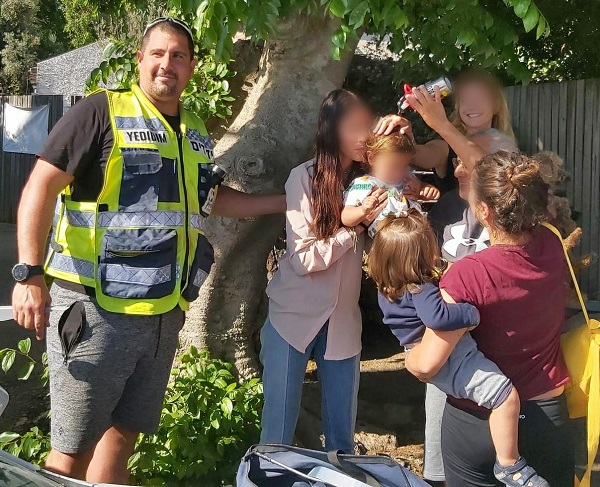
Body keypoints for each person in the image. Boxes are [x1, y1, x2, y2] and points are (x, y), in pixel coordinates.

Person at [11, 17, 285, 483]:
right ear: (140, 59)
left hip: (162, 314)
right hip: (96, 310)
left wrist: (282, 202)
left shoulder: (194, 130)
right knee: (70, 450)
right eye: (158, 53)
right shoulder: (101, 112)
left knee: (124, 435)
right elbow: (39, 187)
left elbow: (209, 199)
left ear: (192, 67)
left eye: (179, 55)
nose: (167, 64)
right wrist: (29, 274)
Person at [375, 70, 519, 485]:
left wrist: (437, 121)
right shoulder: (449, 140)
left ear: (496, 105)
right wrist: (404, 133)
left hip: (486, 298)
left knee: (487, 384)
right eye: (464, 97)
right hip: (448, 297)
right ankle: (442, 474)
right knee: (442, 385)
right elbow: (421, 156)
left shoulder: (502, 144)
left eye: (481, 96)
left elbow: (481, 164)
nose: (471, 104)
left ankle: (500, 463)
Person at [406, 151, 574, 486]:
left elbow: (427, 365)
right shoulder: (552, 242)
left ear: (483, 212)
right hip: (548, 415)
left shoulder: (468, 274)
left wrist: (410, 356)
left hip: (477, 422)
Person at [368, 211, 548, 487]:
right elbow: (438, 318)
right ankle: (509, 464)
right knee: (505, 397)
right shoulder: (420, 287)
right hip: (450, 357)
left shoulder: (389, 287)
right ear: (420, 256)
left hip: (424, 354)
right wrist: (471, 313)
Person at [260, 89, 388, 453]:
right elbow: (303, 260)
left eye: (370, 126)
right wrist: (353, 230)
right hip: (291, 318)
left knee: (342, 439)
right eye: (356, 127)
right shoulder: (303, 179)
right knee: (277, 433)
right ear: (331, 130)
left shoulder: (372, 183)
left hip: (344, 323)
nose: (365, 137)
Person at [375, 70, 517, 195]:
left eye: (479, 99)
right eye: (465, 100)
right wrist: (404, 136)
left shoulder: (506, 146)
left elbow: (493, 172)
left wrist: (440, 124)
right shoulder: (444, 148)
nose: (472, 105)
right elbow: (415, 154)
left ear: (496, 105)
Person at [341, 132, 440, 237]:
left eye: (403, 166)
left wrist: (427, 189)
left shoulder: (406, 177)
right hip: (388, 243)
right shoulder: (364, 184)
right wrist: (362, 210)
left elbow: (420, 190)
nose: (398, 173)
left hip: (416, 235)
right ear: (372, 158)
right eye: (392, 166)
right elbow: (346, 217)